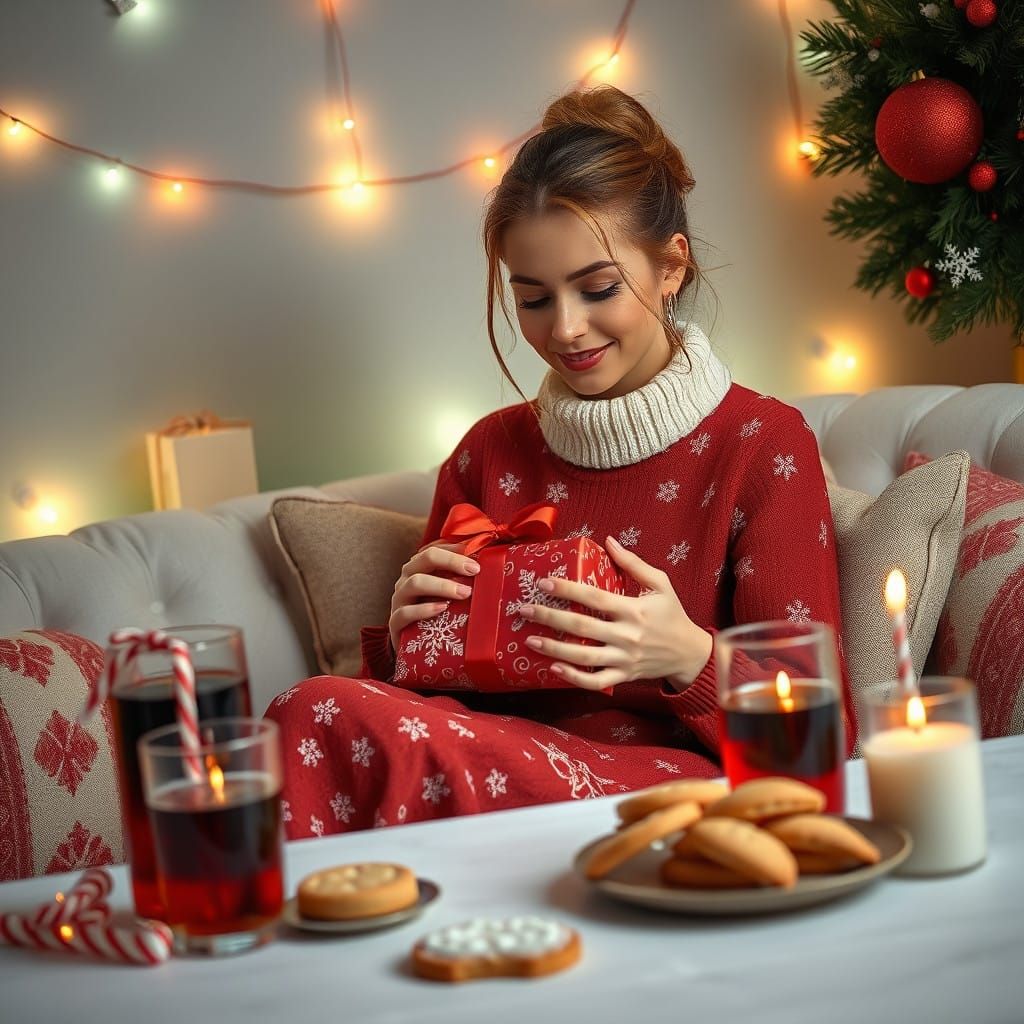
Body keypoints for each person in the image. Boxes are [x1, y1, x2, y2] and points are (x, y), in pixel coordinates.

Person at [266, 84, 854, 840]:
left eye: (598, 288)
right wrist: (404, 633)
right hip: (478, 774)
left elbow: (824, 741)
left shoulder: (763, 446)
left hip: (659, 800)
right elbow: (421, 707)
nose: (567, 329)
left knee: (322, 711)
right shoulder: (487, 453)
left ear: (670, 267)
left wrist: (688, 655)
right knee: (316, 706)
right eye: (534, 299)